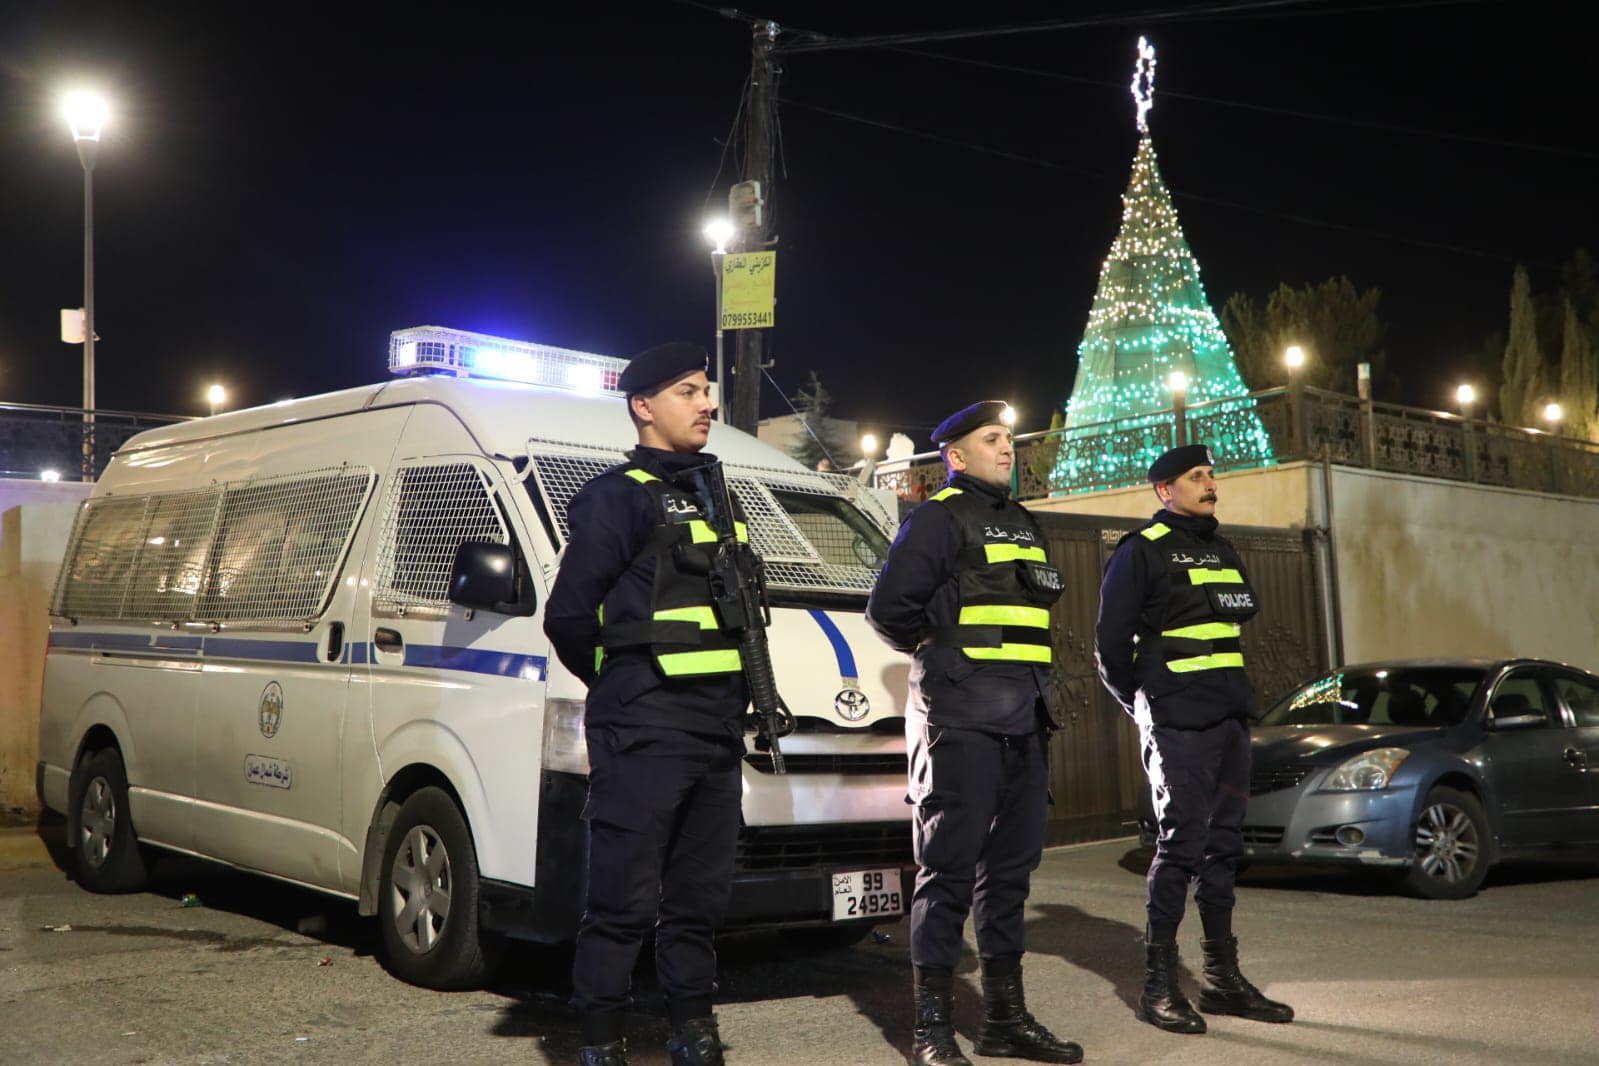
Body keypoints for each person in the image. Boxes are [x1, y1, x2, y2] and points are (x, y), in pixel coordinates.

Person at [543, 342, 750, 1066]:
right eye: (688, 391)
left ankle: (693, 1029)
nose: (707, 403)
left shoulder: (719, 496)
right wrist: (624, 686)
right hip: (644, 726)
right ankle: (601, 1040)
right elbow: (569, 617)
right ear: (642, 405)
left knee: (699, 898)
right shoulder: (616, 496)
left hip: (716, 729)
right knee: (622, 900)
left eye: (706, 390)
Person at [866, 401, 1083, 1066]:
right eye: (991, 439)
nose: (1006, 448)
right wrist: (950, 663)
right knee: (947, 872)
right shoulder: (938, 517)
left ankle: (1004, 1021)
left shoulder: (1023, 521)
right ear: (955, 456)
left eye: (1009, 438)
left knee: (1010, 875)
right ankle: (930, 1027)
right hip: (961, 721)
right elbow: (888, 609)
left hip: (1026, 717)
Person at [1094, 443, 1294, 1035]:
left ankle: (1222, 980)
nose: (1210, 484)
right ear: (1165, 490)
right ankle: (1158, 986)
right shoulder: (1140, 550)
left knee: (1223, 848)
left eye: (1211, 475)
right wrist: (1145, 705)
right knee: (1180, 846)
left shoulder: (1221, 548)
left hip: (1229, 715)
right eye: (1196, 476)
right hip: (1176, 719)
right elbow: (1109, 646)